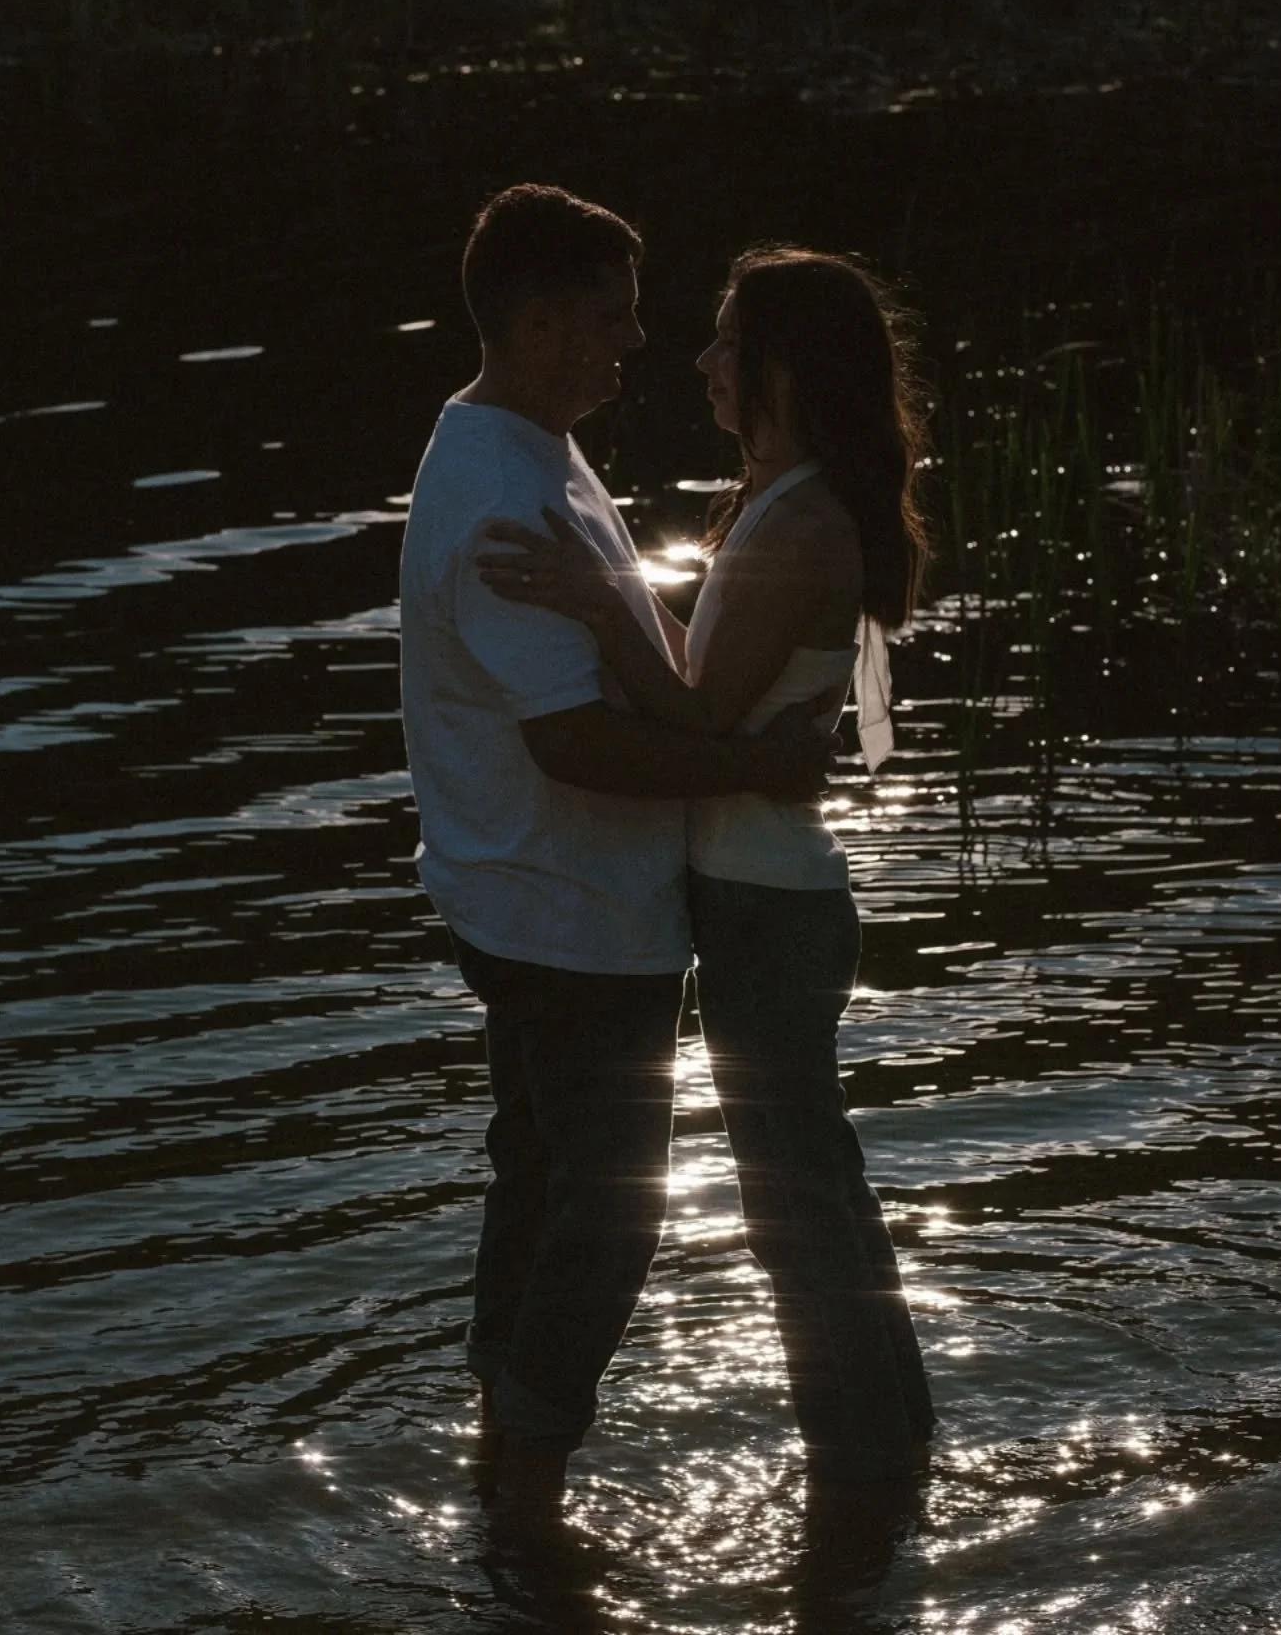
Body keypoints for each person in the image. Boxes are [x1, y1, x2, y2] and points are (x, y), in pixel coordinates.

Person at [478, 245, 937, 1508]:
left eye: (730, 339)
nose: (703, 361)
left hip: (767, 911)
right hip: (760, 901)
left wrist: (594, 598)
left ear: (787, 364)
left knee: (798, 1211)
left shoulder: (808, 520)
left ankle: (863, 1474)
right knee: (814, 1195)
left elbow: (693, 715)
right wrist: (622, 610)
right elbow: (711, 684)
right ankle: (887, 1449)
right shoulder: (781, 501)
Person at [398, 188, 831, 1519]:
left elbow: (615, 658)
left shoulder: (523, 445)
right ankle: (529, 1478)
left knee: (539, 1173)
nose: (637, 344)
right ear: (538, 324)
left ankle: (498, 1438)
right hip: (564, 912)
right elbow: (573, 742)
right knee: (615, 1203)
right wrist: (751, 766)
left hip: (526, 894)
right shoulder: (503, 500)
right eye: (611, 318)